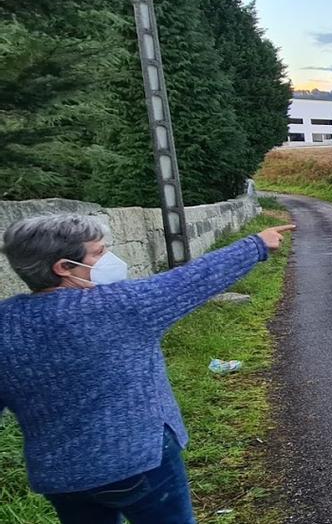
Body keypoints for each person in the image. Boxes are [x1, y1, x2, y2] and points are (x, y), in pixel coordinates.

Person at [0, 214, 294, 523]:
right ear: (63, 267)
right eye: (99, 252)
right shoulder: (120, 307)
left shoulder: (5, 322)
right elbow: (194, 279)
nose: (110, 258)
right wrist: (257, 244)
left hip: (60, 477)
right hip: (139, 461)